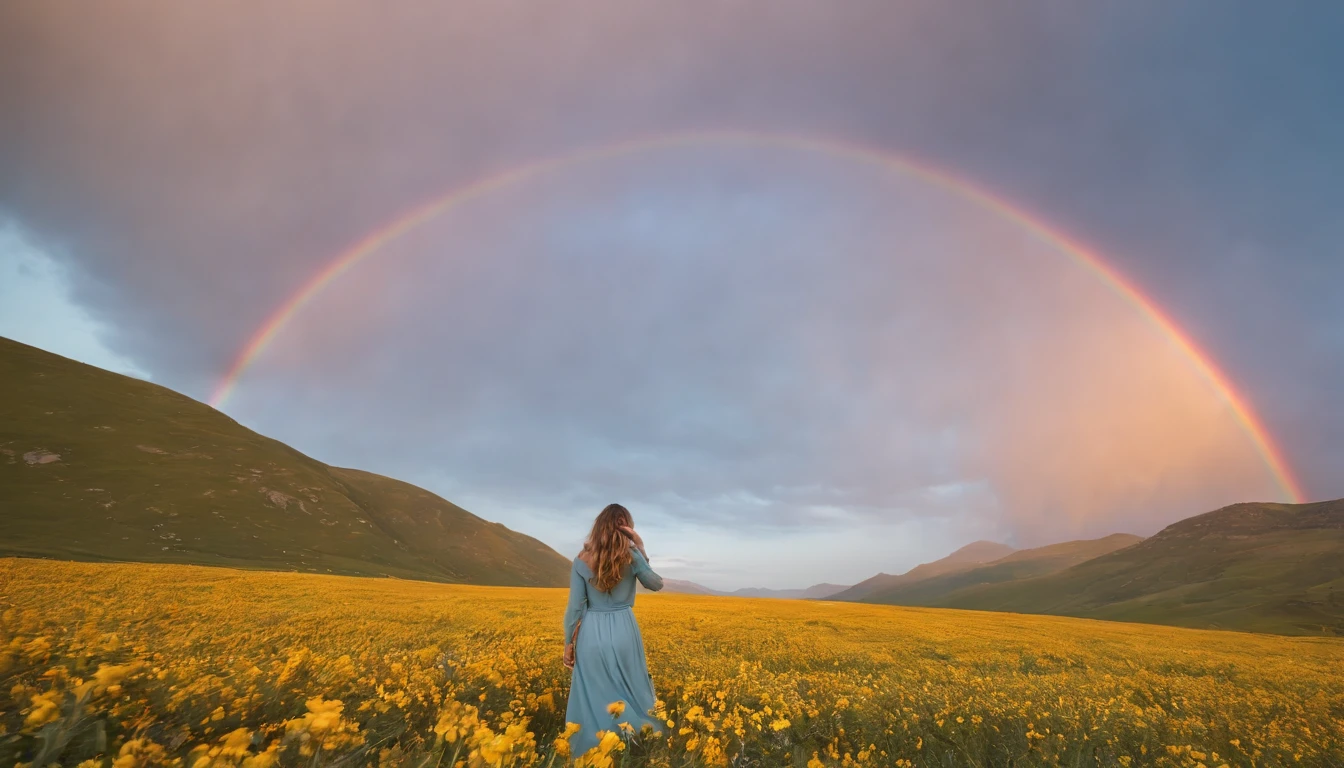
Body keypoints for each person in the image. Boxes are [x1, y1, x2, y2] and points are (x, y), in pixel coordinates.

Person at [562, 503, 664, 757]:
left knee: (593, 694)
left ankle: (596, 752)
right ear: (627, 527)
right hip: (624, 630)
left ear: (598, 526)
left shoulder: (581, 560)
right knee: (632, 689)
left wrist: (568, 643)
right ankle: (635, 746)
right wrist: (639, 546)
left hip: (591, 633)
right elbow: (655, 584)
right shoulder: (631, 555)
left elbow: (575, 608)